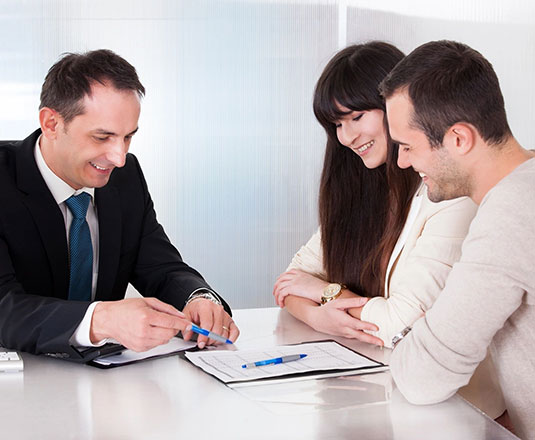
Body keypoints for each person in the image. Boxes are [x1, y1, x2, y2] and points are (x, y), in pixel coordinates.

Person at [272, 42, 505, 418]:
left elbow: (402, 323)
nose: (346, 137)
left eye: (357, 116)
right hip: (375, 388)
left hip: (454, 410)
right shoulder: (359, 190)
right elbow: (290, 280)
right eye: (336, 124)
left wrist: (325, 294)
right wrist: (318, 315)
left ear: (400, 107)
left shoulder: (449, 191)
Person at [0, 49, 239, 362]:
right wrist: (100, 320)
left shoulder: (125, 177)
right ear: (51, 123)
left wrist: (199, 298)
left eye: (128, 137)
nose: (119, 157)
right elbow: (4, 305)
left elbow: (160, 267)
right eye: (103, 137)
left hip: (104, 386)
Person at [380, 40, 535, 439]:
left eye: (408, 146)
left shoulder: (513, 211)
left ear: (459, 139)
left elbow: (422, 376)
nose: (401, 162)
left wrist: (405, 337)